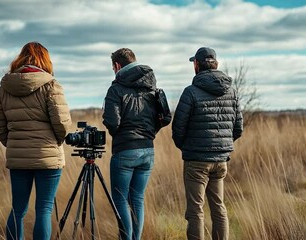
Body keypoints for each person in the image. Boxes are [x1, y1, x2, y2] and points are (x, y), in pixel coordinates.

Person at [0, 42, 72, 240]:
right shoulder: (51, 85)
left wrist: (15, 144)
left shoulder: (4, 88)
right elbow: (62, 124)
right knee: (44, 210)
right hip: (47, 157)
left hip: (18, 156)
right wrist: (55, 142)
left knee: (17, 209)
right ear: (45, 60)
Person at [172, 47, 243, 240]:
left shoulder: (191, 92)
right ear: (215, 64)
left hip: (196, 160)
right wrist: (222, 145)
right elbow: (238, 128)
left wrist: (187, 148)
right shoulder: (232, 92)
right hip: (221, 160)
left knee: (195, 210)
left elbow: (178, 128)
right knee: (219, 207)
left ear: (196, 64)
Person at [102, 48, 170, 240]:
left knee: (121, 200)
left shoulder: (116, 89)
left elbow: (113, 123)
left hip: (125, 150)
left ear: (117, 66)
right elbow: (163, 118)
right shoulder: (151, 87)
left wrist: (109, 123)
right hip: (148, 150)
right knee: (137, 199)